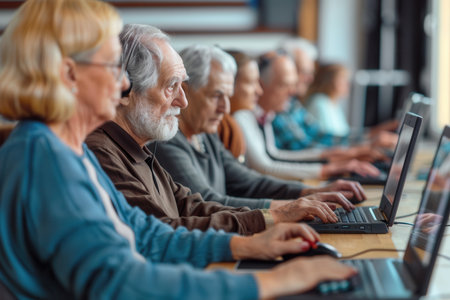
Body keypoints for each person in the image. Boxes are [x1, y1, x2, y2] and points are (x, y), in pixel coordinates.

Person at [0, 1, 358, 299]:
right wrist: (274, 281)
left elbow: (144, 234)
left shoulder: (66, 149)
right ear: (69, 74)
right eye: (112, 66)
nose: (124, 82)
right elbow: (120, 283)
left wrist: (248, 246)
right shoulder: (45, 161)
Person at [85, 24, 333, 235]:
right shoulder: (102, 152)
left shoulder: (138, 147)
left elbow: (192, 206)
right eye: (171, 86)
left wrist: (281, 212)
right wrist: (273, 218)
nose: (183, 101)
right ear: (124, 90)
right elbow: (164, 231)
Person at [153, 44, 368, 216]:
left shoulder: (205, 133)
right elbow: (208, 202)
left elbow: (248, 180)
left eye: (227, 96)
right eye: (215, 96)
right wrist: (288, 208)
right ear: (186, 92)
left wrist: (313, 192)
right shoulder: (167, 139)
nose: (224, 108)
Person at [231, 50, 382, 179]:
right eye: (285, 85)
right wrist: (332, 165)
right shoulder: (243, 115)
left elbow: (274, 155)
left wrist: (334, 156)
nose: (293, 91)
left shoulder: (264, 114)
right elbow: (266, 167)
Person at [272, 38, 397, 152]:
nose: (310, 79)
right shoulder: (277, 106)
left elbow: (320, 135)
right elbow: (302, 147)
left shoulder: (293, 104)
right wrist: (365, 146)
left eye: (311, 72)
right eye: (304, 71)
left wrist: (371, 137)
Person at [304, 63, 351, 137]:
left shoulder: (333, 103)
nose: (347, 83)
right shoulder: (319, 103)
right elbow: (328, 138)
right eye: (343, 79)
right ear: (330, 81)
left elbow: (344, 134)